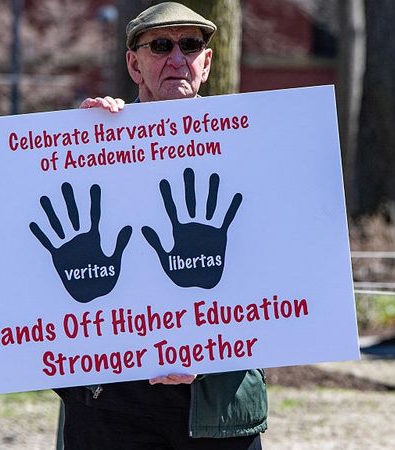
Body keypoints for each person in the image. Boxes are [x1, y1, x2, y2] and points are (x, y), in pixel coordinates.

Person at [54, 3, 268, 449]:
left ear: (206, 62)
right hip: (108, 408)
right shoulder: (96, 142)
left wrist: (214, 348)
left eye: (190, 45)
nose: (177, 58)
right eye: (160, 46)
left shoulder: (249, 152)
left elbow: (285, 287)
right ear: (134, 64)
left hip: (216, 409)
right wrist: (83, 145)